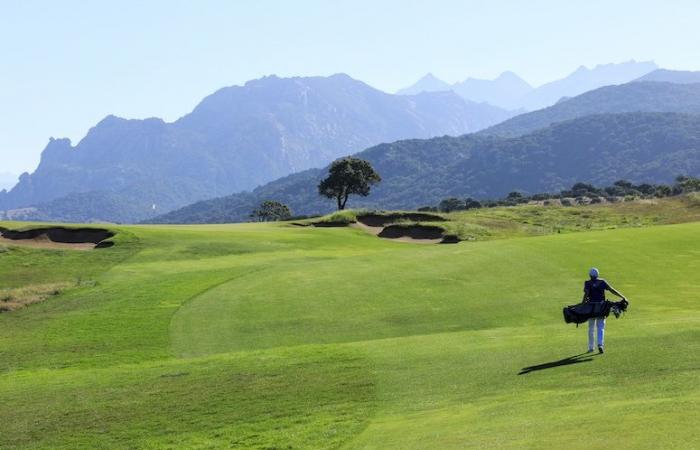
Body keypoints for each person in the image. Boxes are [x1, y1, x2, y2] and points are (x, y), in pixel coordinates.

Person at [583, 268, 626, 354]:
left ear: (590, 275)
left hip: (591, 308)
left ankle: (591, 348)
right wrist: (622, 296)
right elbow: (612, 290)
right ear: (598, 274)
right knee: (601, 327)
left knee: (591, 328)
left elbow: (586, 294)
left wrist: (583, 304)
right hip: (601, 307)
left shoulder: (587, 283)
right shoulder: (602, 282)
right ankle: (600, 345)